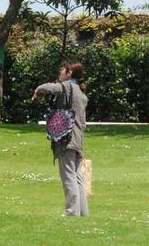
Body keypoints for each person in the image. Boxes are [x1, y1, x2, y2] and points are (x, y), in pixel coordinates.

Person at [33, 60, 89, 217]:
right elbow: (82, 123)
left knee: (68, 175)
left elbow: (49, 88)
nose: (59, 73)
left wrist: (38, 90)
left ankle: (71, 212)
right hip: (77, 140)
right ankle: (82, 212)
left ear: (69, 73)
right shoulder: (81, 92)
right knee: (77, 177)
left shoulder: (67, 87)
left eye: (62, 70)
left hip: (66, 139)